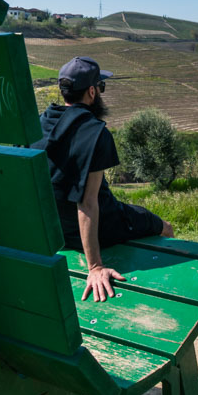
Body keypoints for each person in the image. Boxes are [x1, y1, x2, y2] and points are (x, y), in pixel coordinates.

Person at [32, 56, 174, 302]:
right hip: (102, 226)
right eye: (101, 87)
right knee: (165, 227)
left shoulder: (37, 124)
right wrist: (95, 267)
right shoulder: (95, 132)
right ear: (91, 92)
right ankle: (157, 295)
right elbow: (87, 203)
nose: (101, 92)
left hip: (55, 231)